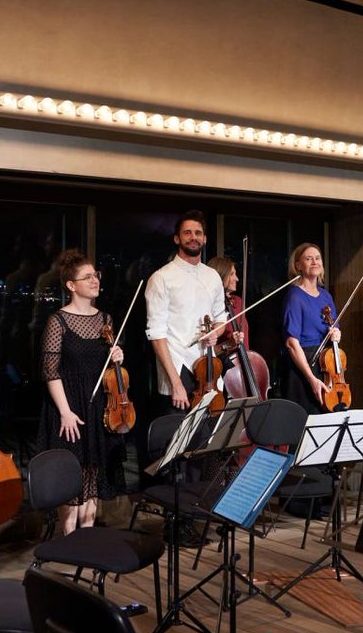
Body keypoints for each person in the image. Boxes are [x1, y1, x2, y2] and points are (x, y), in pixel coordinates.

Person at [36, 250, 125, 534]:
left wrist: (118, 357)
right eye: (87, 277)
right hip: (69, 407)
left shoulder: (106, 320)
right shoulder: (58, 321)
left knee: (94, 474)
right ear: (71, 285)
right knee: (72, 476)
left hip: (100, 406)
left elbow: (108, 372)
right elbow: (51, 371)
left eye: (95, 275)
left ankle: (87, 537)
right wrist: (65, 413)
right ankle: (68, 539)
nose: (94, 280)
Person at [145, 211, 232, 414]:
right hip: (177, 366)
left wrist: (215, 334)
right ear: (177, 238)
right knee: (178, 440)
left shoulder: (212, 276)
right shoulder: (161, 278)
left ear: (205, 238)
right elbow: (157, 335)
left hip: (209, 367)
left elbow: (221, 320)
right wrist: (175, 383)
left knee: (209, 437)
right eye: (187, 233)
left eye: (198, 233)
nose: (193, 237)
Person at [280, 242, 340, 414]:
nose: (315, 262)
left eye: (318, 258)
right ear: (298, 265)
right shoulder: (294, 296)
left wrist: (336, 333)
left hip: (326, 365)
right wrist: (311, 378)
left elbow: (335, 327)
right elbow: (292, 343)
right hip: (304, 367)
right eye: (308, 258)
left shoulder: (326, 295)